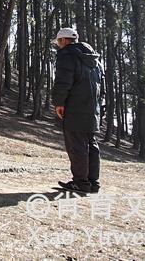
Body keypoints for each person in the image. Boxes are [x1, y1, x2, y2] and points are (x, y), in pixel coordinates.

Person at [51, 27, 104, 194]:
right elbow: (100, 86)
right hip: (92, 108)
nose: (58, 46)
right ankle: (92, 182)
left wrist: (59, 103)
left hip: (75, 107)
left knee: (77, 145)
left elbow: (63, 82)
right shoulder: (94, 60)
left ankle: (80, 182)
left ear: (65, 40)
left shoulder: (67, 56)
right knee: (91, 144)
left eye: (59, 42)